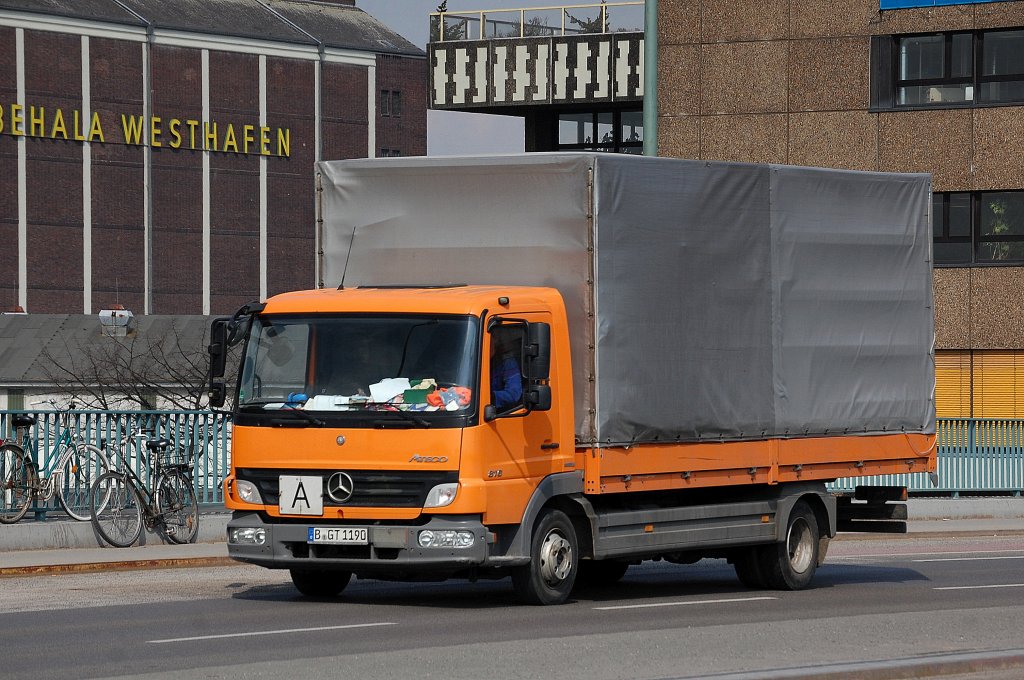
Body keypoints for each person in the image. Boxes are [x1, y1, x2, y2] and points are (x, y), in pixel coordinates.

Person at [490, 331, 523, 410]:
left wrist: (490, 396)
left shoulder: (508, 362)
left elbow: (514, 394)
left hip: (497, 414)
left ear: (495, 341)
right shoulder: (471, 363)